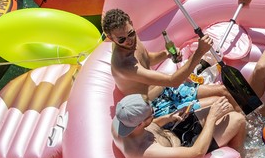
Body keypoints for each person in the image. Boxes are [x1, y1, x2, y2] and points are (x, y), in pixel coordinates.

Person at [102, 8, 239, 114]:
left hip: (167, 90)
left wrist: (166, 54)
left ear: (131, 24)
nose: (129, 40)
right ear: (110, 38)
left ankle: (250, 123)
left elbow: (145, 58)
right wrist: (199, 52)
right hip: (155, 106)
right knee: (221, 103)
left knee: (224, 91)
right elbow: (173, 81)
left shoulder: (129, 37)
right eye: (121, 39)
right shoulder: (124, 65)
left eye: (131, 33)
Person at [111, 93, 246, 158]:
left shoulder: (123, 120)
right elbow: (197, 153)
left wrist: (168, 118)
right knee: (238, 119)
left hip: (169, 134)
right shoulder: (144, 152)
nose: (154, 112)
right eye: (152, 112)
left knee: (226, 107)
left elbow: (150, 124)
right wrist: (212, 118)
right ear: (140, 123)